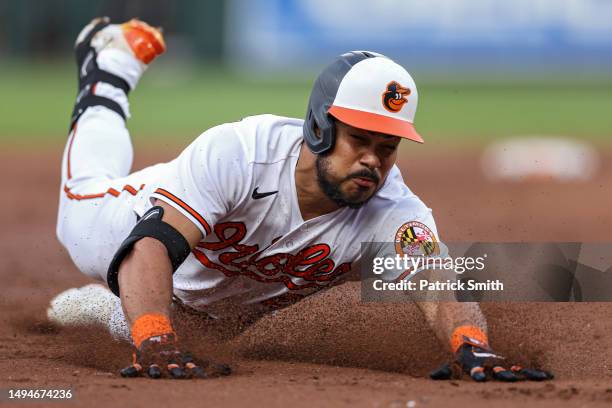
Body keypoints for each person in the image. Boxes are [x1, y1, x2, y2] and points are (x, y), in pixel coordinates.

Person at [49, 17, 552, 381]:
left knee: (195, 327)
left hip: (204, 309)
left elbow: (433, 278)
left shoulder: (395, 212)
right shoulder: (242, 152)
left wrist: (471, 342)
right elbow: (150, 245)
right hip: (124, 225)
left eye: (387, 146)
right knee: (83, 192)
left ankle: (114, 311)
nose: (373, 161)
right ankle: (110, 70)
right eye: (361, 140)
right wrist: (155, 335)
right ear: (318, 127)